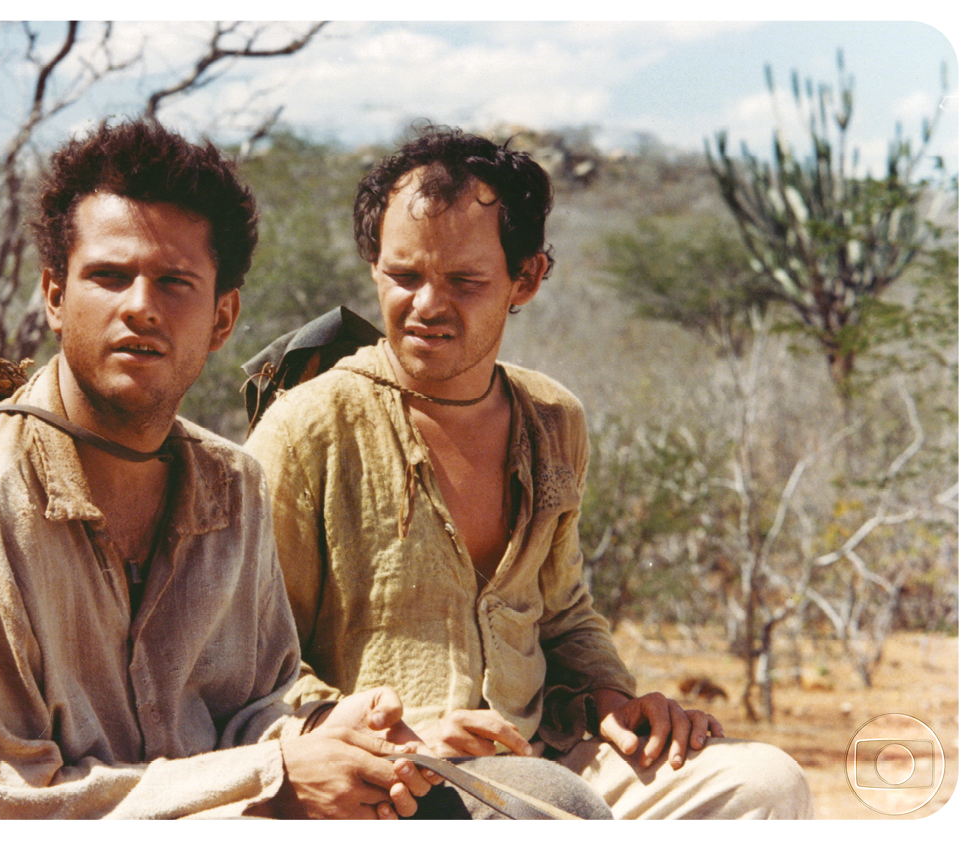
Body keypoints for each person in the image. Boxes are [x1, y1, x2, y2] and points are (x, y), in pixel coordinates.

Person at [0, 118, 448, 819]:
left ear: (222, 318)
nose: (139, 307)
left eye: (174, 282)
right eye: (109, 276)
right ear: (55, 297)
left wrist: (327, 733)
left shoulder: (232, 486)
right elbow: (2, 809)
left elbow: (248, 710)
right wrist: (274, 774)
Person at [245, 125, 814, 819]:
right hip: (381, 777)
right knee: (545, 806)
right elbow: (252, 666)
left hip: (536, 759)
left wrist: (612, 698)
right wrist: (394, 730)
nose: (426, 305)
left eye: (463, 281)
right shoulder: (306, 429)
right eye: (403, 276)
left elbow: (562, 614)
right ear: (372, 265)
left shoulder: (551, 419)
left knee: (764, 783)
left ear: (527, 277)